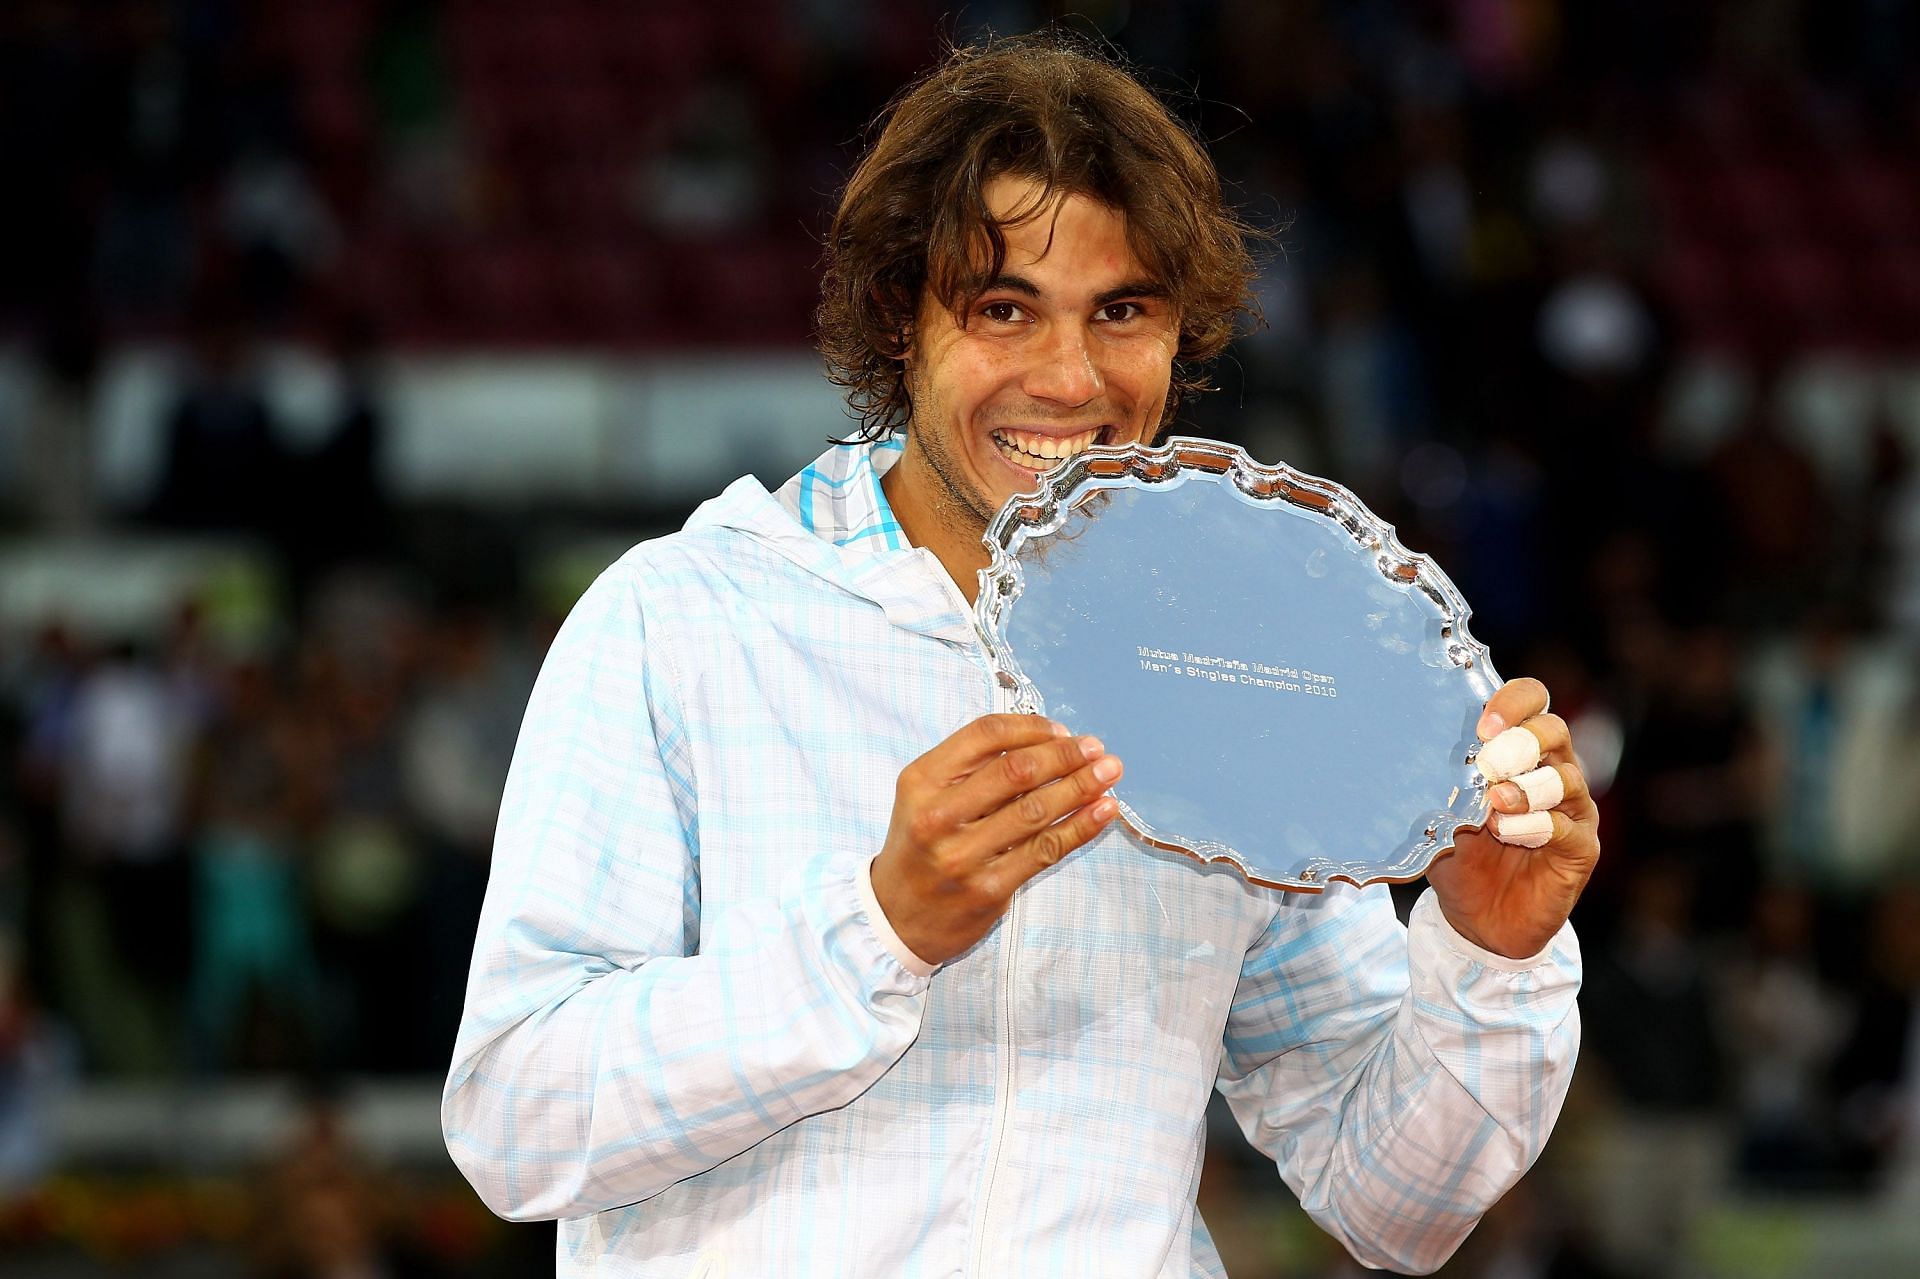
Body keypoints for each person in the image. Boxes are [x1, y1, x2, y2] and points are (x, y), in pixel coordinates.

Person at [442, 35, 1600, 1277]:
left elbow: (1394, 1206)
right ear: (899, 319)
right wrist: (878, 932)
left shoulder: (1231, 671)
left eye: (1123, 312)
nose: (1070, 378)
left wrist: (1490, 953)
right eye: (1003, 308)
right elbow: (516, 1123)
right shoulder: (681, 620)